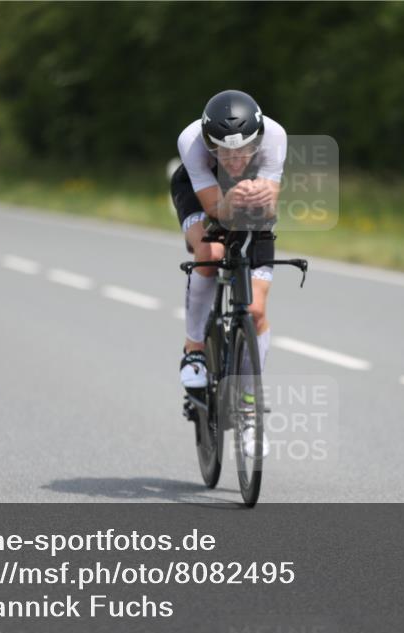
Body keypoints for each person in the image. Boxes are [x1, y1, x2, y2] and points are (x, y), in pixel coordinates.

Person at [170, 90, 288, 458]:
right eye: (223, 151)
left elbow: (268, 202)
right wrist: (231, 201)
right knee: (209, 251)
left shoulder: (275, 137)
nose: (234, 160)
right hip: (200, 191)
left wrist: (257, 196)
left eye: (243, 151)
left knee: (255, 311)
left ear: (257, 140)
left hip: (251, 200)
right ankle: (194, 350)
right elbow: (214, 209)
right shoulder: (191, 142)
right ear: (209, 143)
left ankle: (249, 410)